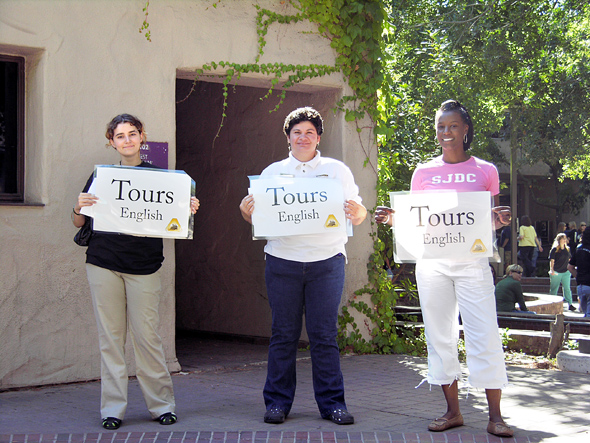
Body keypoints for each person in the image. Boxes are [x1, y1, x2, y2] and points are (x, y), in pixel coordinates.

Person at [375, 100, 513, 437]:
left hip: (472, 265)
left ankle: (495, 416)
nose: (446, 132)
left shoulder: (486, 170)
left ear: (465, 130)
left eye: (452, 126)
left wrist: (499, 222)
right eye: (440, 127)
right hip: (432, 265)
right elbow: (416, 221)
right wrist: (394, 219)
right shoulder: (423, 172)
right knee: (440, 336)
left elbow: (486, 224)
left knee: (485, 335)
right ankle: (453, 412)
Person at [239, 107, 367, 425]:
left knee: (324, 336)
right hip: (283, 262)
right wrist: (245, 211)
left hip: (327, 262)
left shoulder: (337, 171)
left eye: (309, 132)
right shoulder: (271, 174)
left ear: (318, 137)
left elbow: (358, 212)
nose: (303, 137)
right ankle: (278, 404)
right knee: (283, 334)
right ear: (288, 138)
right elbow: (255, 218)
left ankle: (333, 405)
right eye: (297, 132)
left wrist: (358, 212)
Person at [72, 114, 200, 430]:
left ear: (142, 137)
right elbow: (78, 222)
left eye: (132, 134)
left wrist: (187, 209)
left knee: (148, 338)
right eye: (120, 135)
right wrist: (79, 207)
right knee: (111, 340)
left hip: (144, 267)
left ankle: (162, 406)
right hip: (103, 264)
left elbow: (175, 223)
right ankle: (112, 410)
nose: (127, 140)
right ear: (111, 141)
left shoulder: (162, 179)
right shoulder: (101, 175)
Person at [549, 233, 575, 312]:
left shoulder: (567, 249)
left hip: (566, 272)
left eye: (565, 238)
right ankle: (552, 303)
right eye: (563, 238)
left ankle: (570, 304)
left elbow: (569, 259)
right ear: (559, 240)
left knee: (567, 288)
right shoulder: (554, 249)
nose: (565, 240)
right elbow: (552, 261)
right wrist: (552, 270)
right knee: (554, 288)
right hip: (557, 271)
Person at [568, 229, 590, 317]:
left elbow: (570, 267)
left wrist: (578, 276)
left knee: (586, 314)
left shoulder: (579, 249)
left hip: (580, 286)